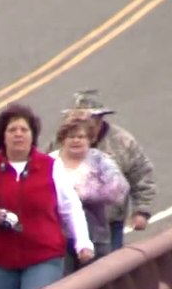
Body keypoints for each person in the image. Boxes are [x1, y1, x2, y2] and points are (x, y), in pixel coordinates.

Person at [0, 102, 94, 289]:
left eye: (24, 130)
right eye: (12, 130)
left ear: (33, 135)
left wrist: (83, 243)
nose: (18, 135)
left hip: (43, 256)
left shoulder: (50, 166)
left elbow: (70, 207)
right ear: (2, 136)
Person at [58, 90, 157, 250]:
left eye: (89, 120)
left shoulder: (122, 142)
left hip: (109, 224)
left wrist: (142, 211)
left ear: (99, 119)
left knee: (108, 267)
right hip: (66, 226)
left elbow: (142, 175)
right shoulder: (60, 142)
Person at [50, 115, 129, 272]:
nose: (76, 140)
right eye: (71, 136)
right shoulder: (49, 162)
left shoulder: (100, 160)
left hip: (96, 236)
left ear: (90, 139)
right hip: (58, 239)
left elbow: (118, 189)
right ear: (62, 139)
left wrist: (81, 194)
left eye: (81, 136)